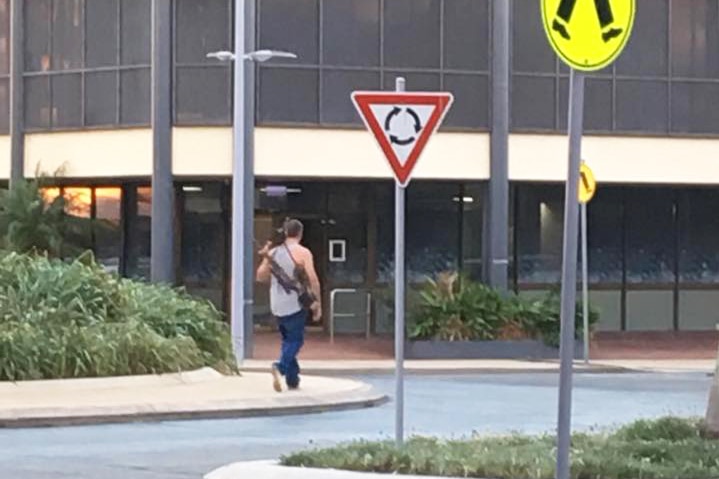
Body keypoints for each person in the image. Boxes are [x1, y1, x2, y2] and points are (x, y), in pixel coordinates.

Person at [256, 218, 321, 392]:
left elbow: (260, 276)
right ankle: (281, 367)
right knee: (295, 341)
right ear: (300, 233)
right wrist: (317, 302)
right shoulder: (303, 252)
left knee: (287, 340)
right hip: (296, 304)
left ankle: (293, 379)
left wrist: (265, 258)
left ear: (285, 233)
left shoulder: (274, 253)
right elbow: (313, 278)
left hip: (277, 304)